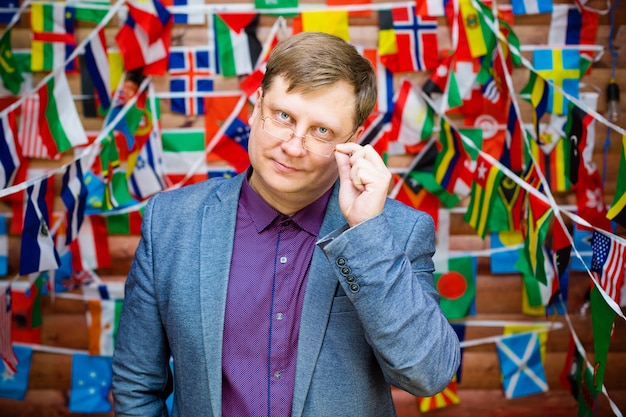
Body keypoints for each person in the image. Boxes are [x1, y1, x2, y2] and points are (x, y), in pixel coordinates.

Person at [111, 31, 460, 417]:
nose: (294, 146)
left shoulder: (396, 230)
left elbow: (427, 375)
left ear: (354, 141)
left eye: (321, 131)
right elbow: (136, 386)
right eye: (283, 117)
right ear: (256, 105)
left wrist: (366, 235)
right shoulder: (171, 223)